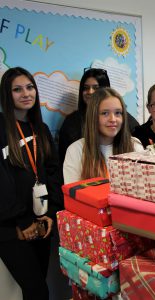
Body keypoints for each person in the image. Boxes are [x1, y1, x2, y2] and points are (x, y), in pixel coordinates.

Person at [0, 67, 63, 299]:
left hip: (42, 223)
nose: (26, 94)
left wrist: (51, 214)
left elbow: (53, 174)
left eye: (29, 88)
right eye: (17, 89)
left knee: (37, 288)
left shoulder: (42, 129)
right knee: (37, 290)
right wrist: (22, 221)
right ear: (7, 95)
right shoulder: (1, 128)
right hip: (13, 227)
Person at [63, 87, 144, 184]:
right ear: (93, 117)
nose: (113, 119)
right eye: (105, 113)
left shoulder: (134, 146)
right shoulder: (76, 150)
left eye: (118, 113)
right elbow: (73, 194)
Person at [58, 68, 139, 164]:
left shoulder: (125, 121)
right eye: (86, 88)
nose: (90, 92)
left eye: (96, 88)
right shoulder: (71, 122)